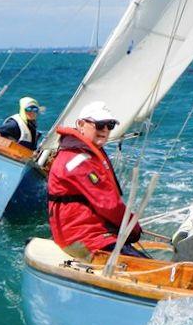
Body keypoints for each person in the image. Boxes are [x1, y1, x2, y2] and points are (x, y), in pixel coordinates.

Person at [47, 101, 144, 261]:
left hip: (88, 233)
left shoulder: (84, 153)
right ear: (81, 124)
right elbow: (108, 204)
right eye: (100, 125)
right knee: (150, 269)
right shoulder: (79, 161)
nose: (105, 130)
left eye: (110, 125)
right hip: (84, 237)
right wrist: (133, 227)